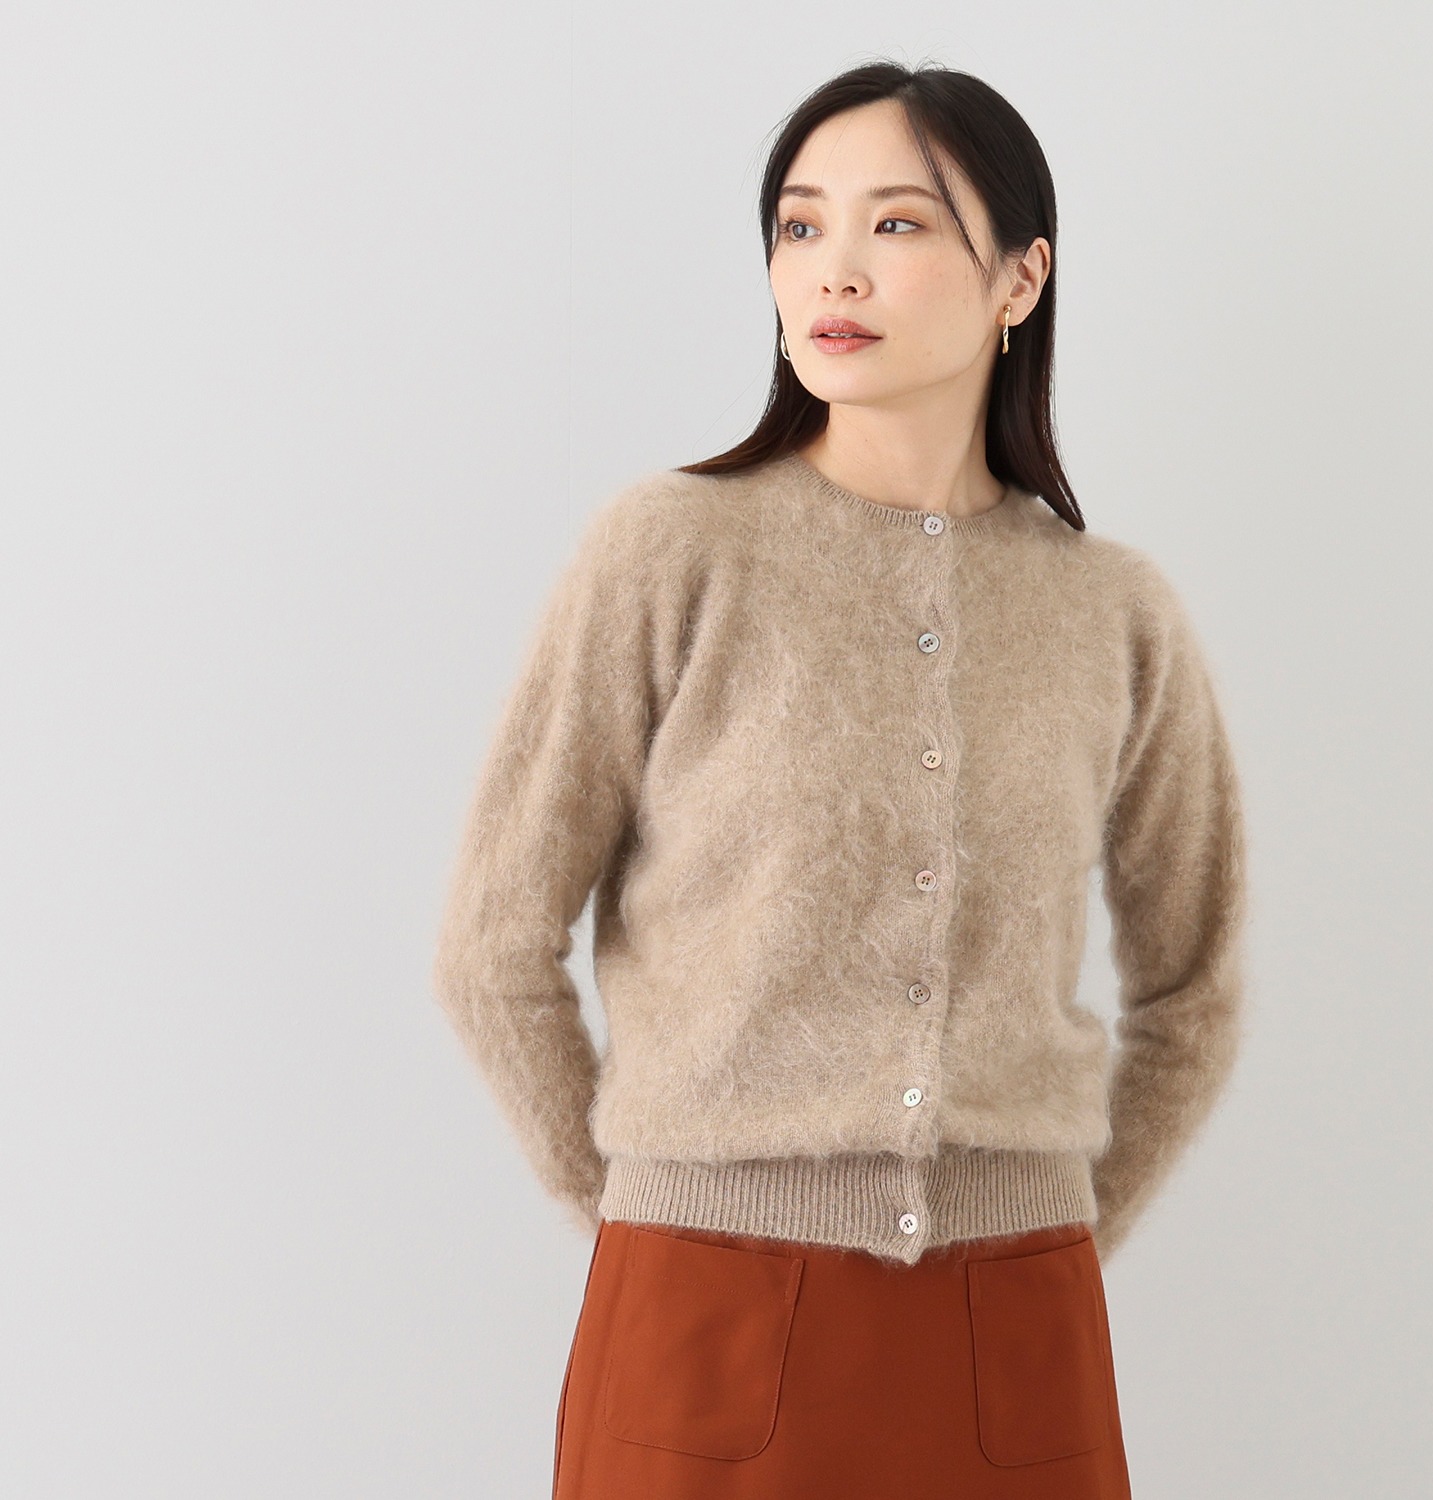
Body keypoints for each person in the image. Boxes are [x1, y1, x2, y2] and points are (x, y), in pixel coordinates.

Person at [431, 58, 1248, 1500]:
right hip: (701, 1315)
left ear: (1020, 277)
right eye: (801, 226)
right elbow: (494, 944)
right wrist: (645, 1202)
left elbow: (1195, 990)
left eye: (899, 224)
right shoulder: (670, 553)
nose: (836, 269)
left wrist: (1049, 1218)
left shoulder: (1113, 611)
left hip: (1019, 1334)